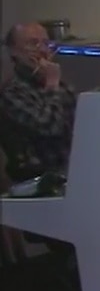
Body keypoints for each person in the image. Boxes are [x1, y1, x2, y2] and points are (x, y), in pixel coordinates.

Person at [0, 22, 78, 180]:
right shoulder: (12, 92)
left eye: (46, 44)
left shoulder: (63, 87)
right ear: (13, 51)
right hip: (38, 180)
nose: (42, 50)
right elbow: (50, 127)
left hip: (72, 171)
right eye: (33, 43)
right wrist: (52, 85)